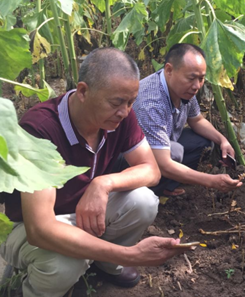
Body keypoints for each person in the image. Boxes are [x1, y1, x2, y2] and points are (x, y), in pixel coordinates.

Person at [1, 48, 187, 297]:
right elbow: (40, 229)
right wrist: (131, 254)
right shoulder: (39, 129)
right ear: (83, 91)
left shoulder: (120, 116)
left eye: (131, 102)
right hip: (29, 227)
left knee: (143, 201)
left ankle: (105, 264)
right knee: (63, 265)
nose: (125, 111)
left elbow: (151, 170)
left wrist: (102, 184)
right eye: (117, 103)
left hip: (84, 214)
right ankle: (26, 289)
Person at [133, 43, 242, 196]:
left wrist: (222, 140)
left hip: (162, 145)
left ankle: (167, 184)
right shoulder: (150, 103)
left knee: (203, 141)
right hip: (130, 160)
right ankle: (153, 190)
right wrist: (210, 181)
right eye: (191, 78)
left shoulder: (184, 89)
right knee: (174, 151)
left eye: (201, 78)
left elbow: (197, 120)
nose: (197, 85)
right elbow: (163, 164)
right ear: (169, 70)